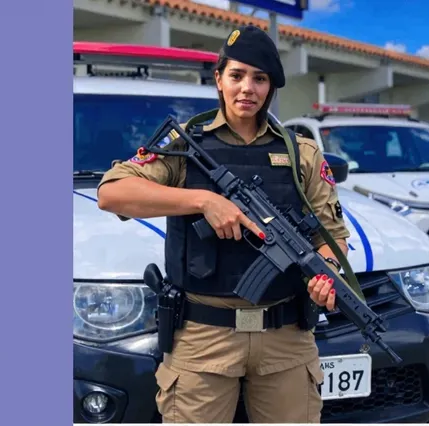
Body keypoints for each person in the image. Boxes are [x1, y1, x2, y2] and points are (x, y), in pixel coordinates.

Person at [96, 24, 353, 423]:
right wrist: (203, 200)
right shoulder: (185, 148)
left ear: (271, 88)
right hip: (204, 337)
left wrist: (328, 274)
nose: (247, 88)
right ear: (219, 79)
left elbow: (330, 237)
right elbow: (112, 193)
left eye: (260, 78)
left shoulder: (301, 153)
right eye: (236, 75)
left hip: (286, 337)